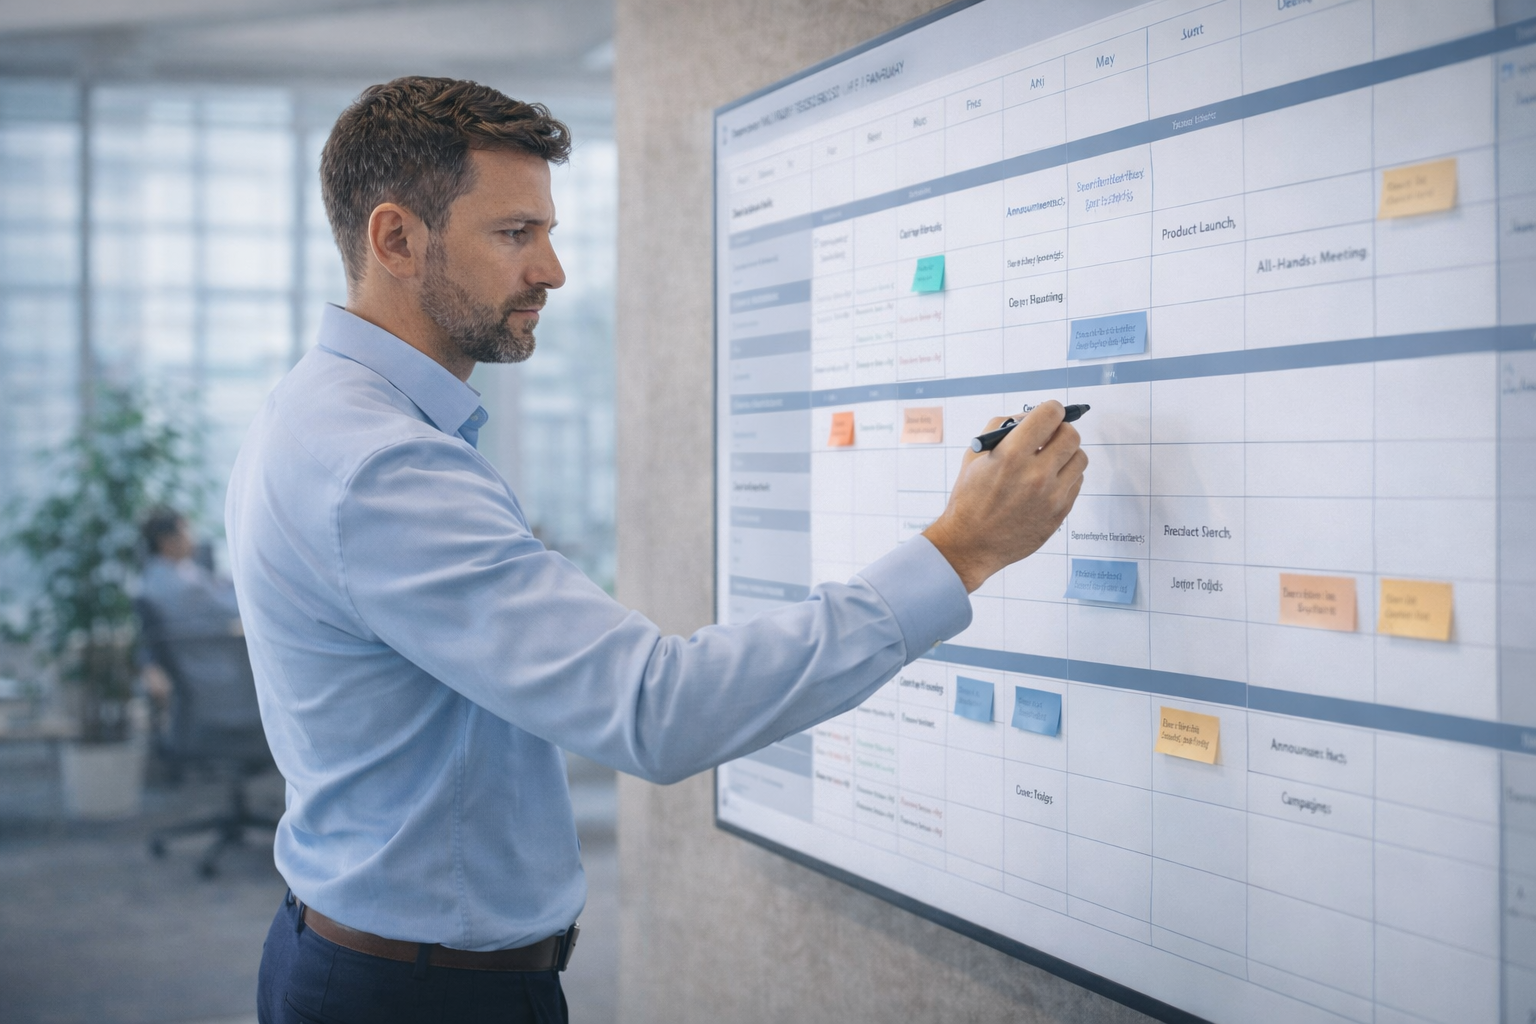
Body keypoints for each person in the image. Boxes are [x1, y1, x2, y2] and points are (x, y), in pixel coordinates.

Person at [227, 76, 1086, 1024]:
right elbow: (657, 708)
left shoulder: (320, 414)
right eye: (515, 234)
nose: (551, 270)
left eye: (548, 233)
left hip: (376, 960)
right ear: (396, 240)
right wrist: (958, 550)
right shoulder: (383, 466)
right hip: (417, 997)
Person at [137, 506, 242, 715]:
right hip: (214, 670)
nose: (193, 538)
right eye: (186, 530)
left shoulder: (151, 579)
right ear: (167, 541)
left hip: (186, 680)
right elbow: (236, 606)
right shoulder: (185, 586)